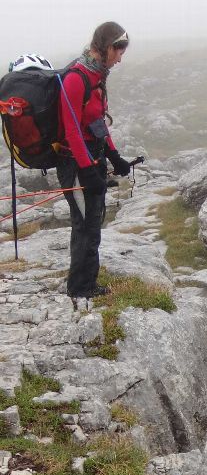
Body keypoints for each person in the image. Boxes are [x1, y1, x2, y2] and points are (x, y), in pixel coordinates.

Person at [56, 21, 133, 299]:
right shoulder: (76, 78)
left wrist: (114, 155)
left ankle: (88, 282)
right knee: (85, 225)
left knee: (93, 223)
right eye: (119, 52)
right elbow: (72, 129)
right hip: (75, 164)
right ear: (107, 47)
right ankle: (80, 287)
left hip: (92, 158)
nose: (120, 59)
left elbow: (97, 122)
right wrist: (87, 170)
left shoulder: (96, 76)